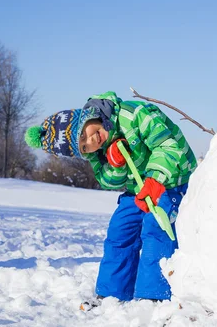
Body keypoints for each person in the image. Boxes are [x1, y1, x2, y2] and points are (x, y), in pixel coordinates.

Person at [24, 90, 197, 310]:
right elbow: (107, 181)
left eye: (84, 135)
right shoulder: (96, 152)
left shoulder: (134, 115)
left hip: (172, 179)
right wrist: (116, 164)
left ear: (85, 119)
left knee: (155, 227)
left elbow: (169, 146)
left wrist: (155, 180)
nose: (92, 142)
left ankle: (155, 296)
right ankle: (113, 295)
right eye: (84, 147)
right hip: (139, 188)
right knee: (119, 230)